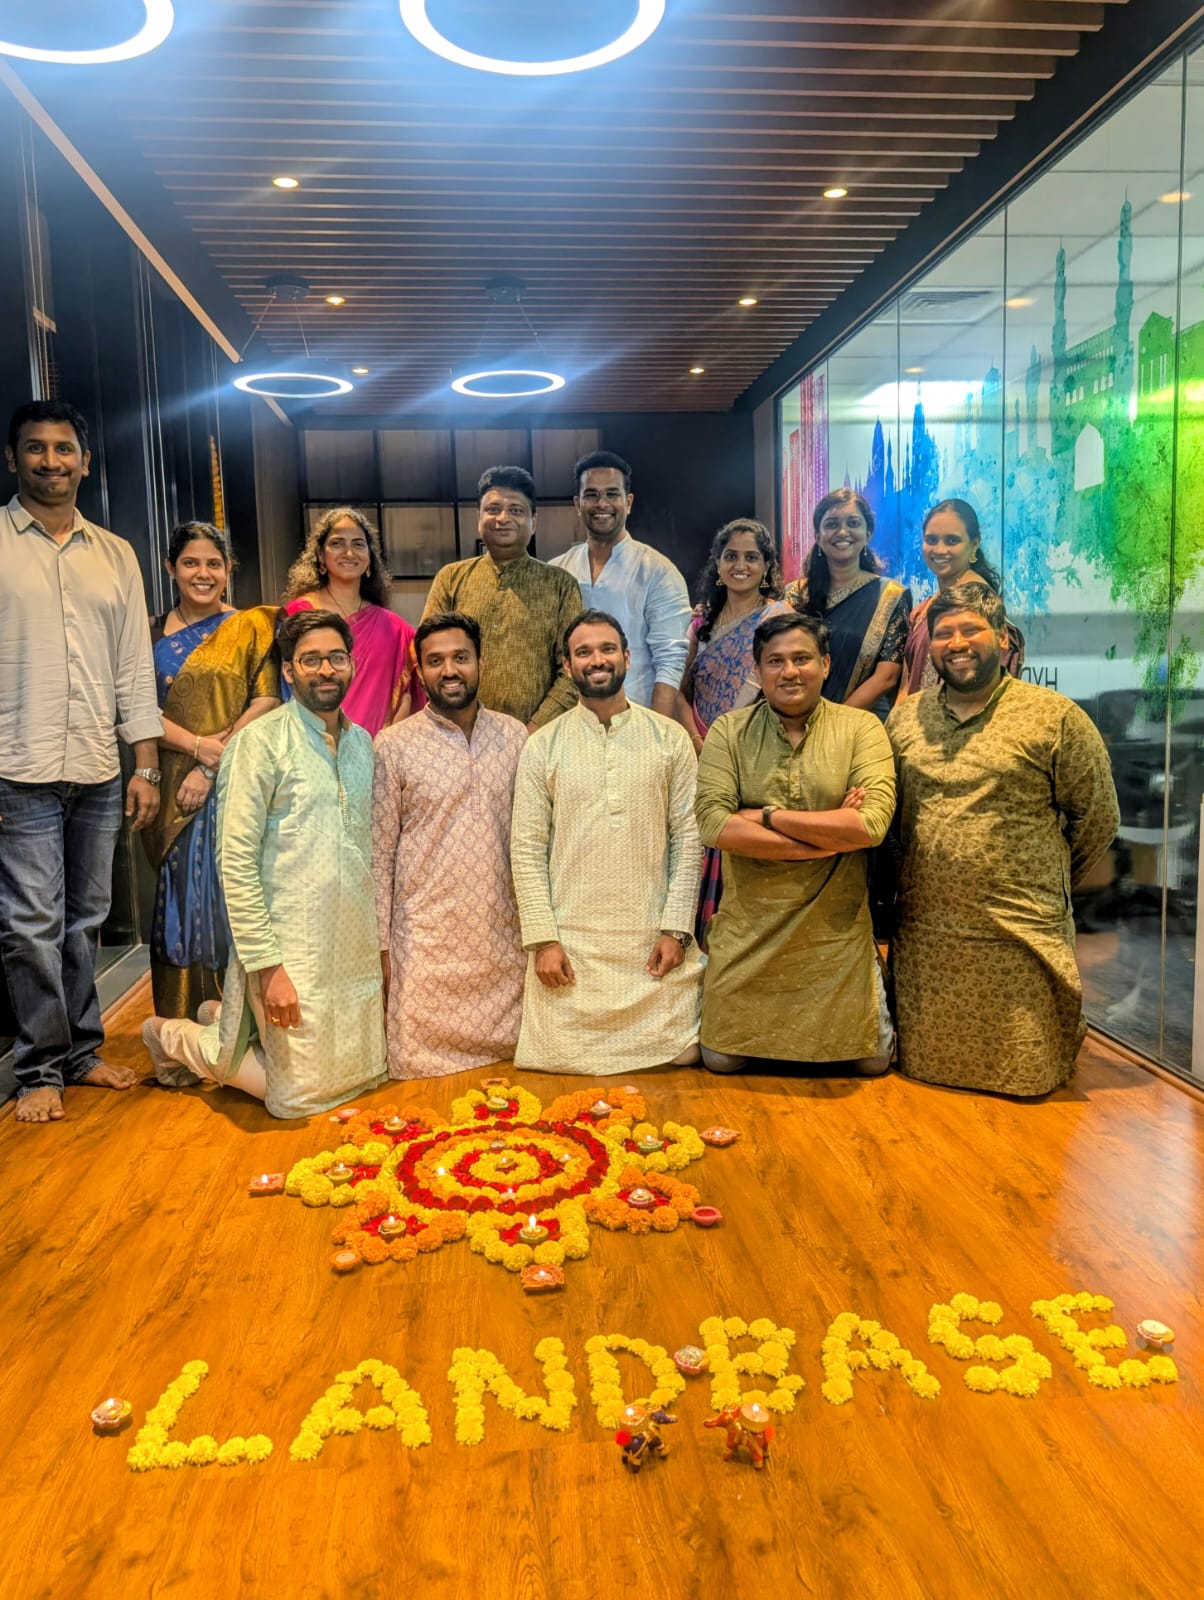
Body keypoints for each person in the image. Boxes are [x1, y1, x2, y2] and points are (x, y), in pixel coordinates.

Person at [141, 610, 388, 1117]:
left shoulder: (363, 744)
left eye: (336, 658)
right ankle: (169, 1035)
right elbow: (234, 862)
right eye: (310, 660)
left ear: (351, 664)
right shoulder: (259, 743)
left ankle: (224, 1017)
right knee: (298, 1100)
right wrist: (268, 968)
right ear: (289, 671)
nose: (325, 670)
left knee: (367, 1076)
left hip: (352, 946)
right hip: (289, 950)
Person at [887, 582, 1120, 1097]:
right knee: (923, 1077)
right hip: (930, 937)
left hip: (1019, 932)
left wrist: (1044, 879)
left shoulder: (1054, 717)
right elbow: (894, 819)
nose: (957, 643)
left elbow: (1098, 818)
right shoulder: (905, 718)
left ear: (1003, 637)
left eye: (971, 629)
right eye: (943, 633)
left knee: (1028, 1075)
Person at [0, 400, 162, 1125]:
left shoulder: (115, 553)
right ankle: (39, 1068)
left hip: (97, 763)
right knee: (31, 924)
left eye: (64, 448)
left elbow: (133, 666)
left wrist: (145, 763)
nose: (51, 461)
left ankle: (82, 1051)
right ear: (14, 459)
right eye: (35, 448)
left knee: (85, 918)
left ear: (85, 461)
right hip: (17, 764)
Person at [694, 612, 896, 1075]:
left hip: (834, 935)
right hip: (749, 933)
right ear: (758, 671)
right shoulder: (729, 731)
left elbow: (870, 826)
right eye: (775, 661)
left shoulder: (861, 729)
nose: (789, 671)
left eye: (802, 659)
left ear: (825, 664)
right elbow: (713, 824)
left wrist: (766, 816)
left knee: (871, 1062)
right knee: (721, 1059)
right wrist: (828, 838)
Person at [510, 609, 703, 1075]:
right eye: (584, 652)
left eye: (607, 649)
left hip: (650, 939)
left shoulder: (669, 739)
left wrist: (676, 929)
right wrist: (544, 941)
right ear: (567, 666)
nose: (597, 660)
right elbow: (527, 848)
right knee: (554, 1059)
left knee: (683, 1052)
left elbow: (690, 839)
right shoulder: (543, 745)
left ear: (627, 657)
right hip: (574, 944)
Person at [372, 611, 527, 1078]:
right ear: (419, 671)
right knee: (415, 1080)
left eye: (461, 657)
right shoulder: (393, 745)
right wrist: (381, 947)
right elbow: (379, 853)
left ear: (481, 663)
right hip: (425, 948)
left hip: (503, 945)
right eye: (435, 661)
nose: (450, 670)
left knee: (514, 1083)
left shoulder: (515, 736)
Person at [142, 522, 280, 1020]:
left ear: (228, 570)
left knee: (233, 893)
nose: (203, 574)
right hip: (169, 784)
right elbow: (137, 707)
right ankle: (179, 1023)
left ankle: (241, 1023)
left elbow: (267, 700)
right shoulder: (147, 632)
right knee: (179, 898)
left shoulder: (253, 627)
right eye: (191, 563)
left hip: (236, 780)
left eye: (214, 564)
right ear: (171, 568)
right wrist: (199, 748)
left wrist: (213, 764)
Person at [676, 517, 791, 946]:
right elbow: (681, 688)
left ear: (766, 566)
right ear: (718, 564)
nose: (740, 566)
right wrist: (695, 739)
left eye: (751, 557)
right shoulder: (701, 621)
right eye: (731, 556)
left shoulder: (778, 618)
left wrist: (725, 741)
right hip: (699, 746)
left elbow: (776, 687)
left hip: (752, 750)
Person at [422, 465, 581, 731]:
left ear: (534, 522)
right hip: (457, 735)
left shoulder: (561, 585)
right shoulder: (450, 579)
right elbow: (429, 657)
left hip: (538, 739)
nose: (503, 518)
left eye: (516, 510)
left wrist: (531, 732)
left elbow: (572, 669)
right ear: (479, 517)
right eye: (493, 509)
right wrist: (459, 728)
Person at [551, 451, 692, 716]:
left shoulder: (658, 572)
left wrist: (656, 729)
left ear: (628, 502)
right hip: (570, 721)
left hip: (635, 717)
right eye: (591, 495)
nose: (602, 503)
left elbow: (670, 661)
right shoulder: (558, 570)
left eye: (612, 494)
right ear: (577, 504)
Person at [282, 505, 417, 737]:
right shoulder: (294, 615)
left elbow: (407, 694)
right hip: (307, 745)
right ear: (320, 555)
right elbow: (280, 689)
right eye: (337, 543)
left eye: (358, 544)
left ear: (369, 558)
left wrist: (386, 744)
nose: (349, 553)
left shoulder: (394, 629)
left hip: (375, 749)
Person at [784, 489, 911, 720]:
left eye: (853, 523)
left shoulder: (891, 596)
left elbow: (887, 676)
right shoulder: (794, 595)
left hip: (861, 722)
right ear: (818, 535)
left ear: (868, 533)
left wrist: (832, 723)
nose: (842, 532)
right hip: (795, 720)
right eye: (832, 524)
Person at [901, 498, 1024, 696]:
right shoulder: (922, 609)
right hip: (917, 713)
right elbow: (906, 685)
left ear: (974, 544)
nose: (939, 550)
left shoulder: (980, 605)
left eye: (952, 541)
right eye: (931, 540)